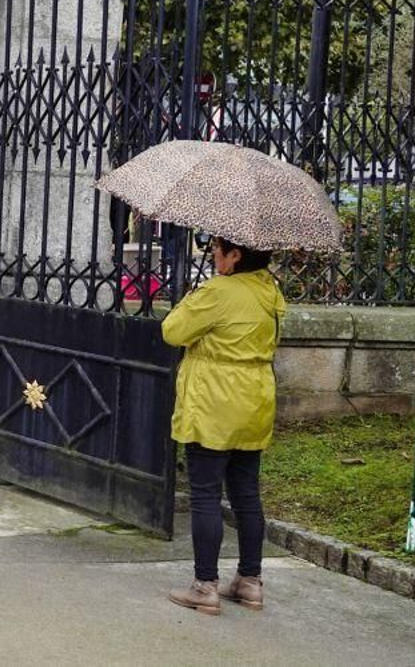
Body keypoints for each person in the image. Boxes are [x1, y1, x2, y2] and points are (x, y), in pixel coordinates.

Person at [163, 236, 285, 616]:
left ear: (236, 255)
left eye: (218, 247)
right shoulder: (270, 292)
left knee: (204, 494)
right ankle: (250, 582)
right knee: (246, 492)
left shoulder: (218, 292)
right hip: (255, 399)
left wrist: (192, 298)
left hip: (215, 400)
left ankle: (205, 586)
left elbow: (173, 331)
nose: (213, 253)